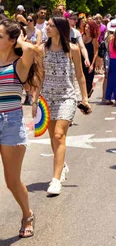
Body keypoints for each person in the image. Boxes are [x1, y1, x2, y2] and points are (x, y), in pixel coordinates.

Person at [34, 17, 91, 196]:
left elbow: (80, 76)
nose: (47, 28)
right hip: (47, 98)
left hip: (67, 97)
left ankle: (56, 180)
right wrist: (35, 100)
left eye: (50, 25)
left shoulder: (72, 49)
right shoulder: (41, 49)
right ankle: (62, 166)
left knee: (59, 135)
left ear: (59, 28)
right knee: (53, 138)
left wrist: (85, 99)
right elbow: (39, 77)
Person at [0, 20, 40, 237]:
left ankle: (27, 214)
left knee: (11, 181)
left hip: (11, 123)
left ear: (11, 40)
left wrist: (21, 41)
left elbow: (32, 50)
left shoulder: (19, 65)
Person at [81, 20, 99, 97]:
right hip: (81, 60)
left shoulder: (93, 39)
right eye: (85, 27)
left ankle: (87, 94)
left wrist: (92, 64)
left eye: (88, 27)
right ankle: (84, 95)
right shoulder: (81, 36)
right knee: (82, 78)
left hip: (90, 60)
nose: (86, 29)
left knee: (89, 79)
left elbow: (96, 52)